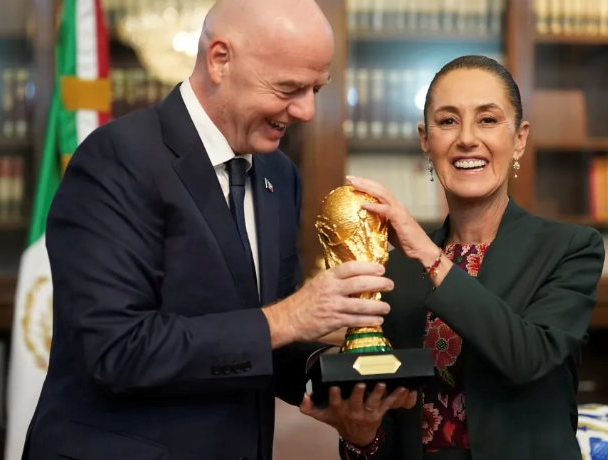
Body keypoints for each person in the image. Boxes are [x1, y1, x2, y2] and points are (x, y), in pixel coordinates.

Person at [22, 1, 414, 459]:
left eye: (316, 89)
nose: (307, 110)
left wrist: (340, 379)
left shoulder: (279, 175)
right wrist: (289, 317)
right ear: (220, 60)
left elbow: (262, 341)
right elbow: (116, 350)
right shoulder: (117, 159)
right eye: (289, 88)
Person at [301, 55, 606, 460]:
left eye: (487, 120)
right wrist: (362, 437)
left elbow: (527, 358)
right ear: (425, 141)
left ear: (519, 138)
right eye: (447, 121)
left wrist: (429, 256)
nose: (466, 139)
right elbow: (390, 428)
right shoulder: (394, 272)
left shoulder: (570, 249)